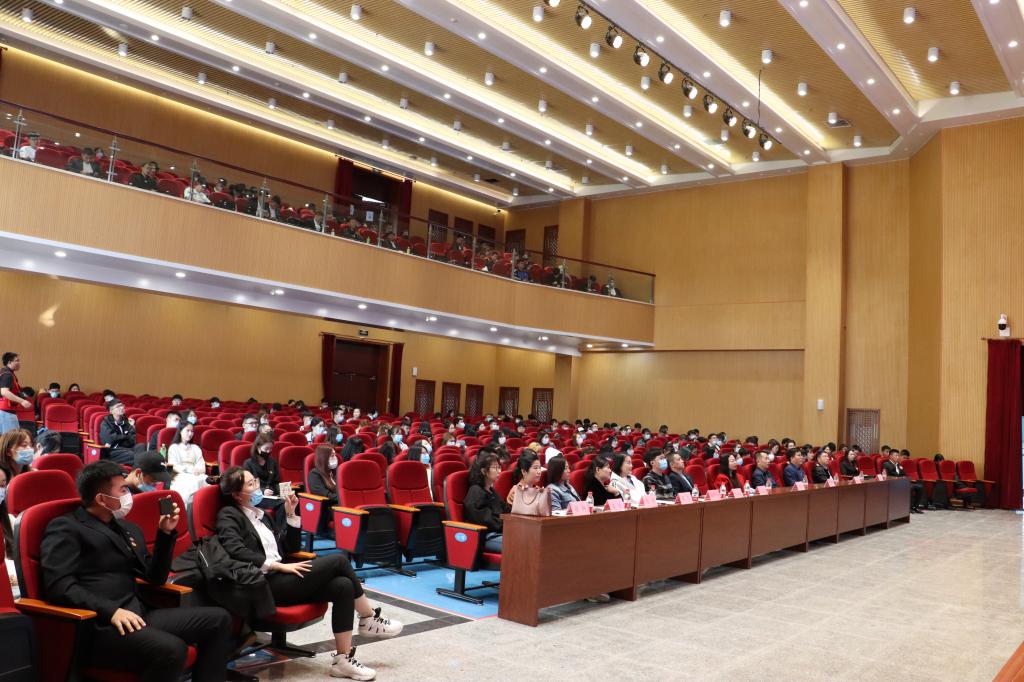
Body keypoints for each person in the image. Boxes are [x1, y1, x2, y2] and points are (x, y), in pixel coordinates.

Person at [40, 461, 233, 682]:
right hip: (100, 624)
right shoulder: (66, 527)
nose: (129, 494)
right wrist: (111, 611)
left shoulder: (127, 528)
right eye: (122, 490)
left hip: (137, 614)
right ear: (101, 499)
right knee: (172, 650)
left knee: (219, 620)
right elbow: (60, 586)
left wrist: (165, 533)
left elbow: (155, 577)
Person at [216, 466, 400, 680]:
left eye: (255, 481)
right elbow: (235, 550)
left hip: (282, 577)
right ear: (237, 494)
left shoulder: (262, 516)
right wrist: (277, 566)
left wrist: (291, 514)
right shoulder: (228, 515)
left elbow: (291, 548)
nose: (257, 486)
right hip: (263, 583)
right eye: (251, 484)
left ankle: (342, 661)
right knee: (339, 561)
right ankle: (368, 618)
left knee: (343, 586)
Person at [462, 452, 505, 553]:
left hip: (499, 533)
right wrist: (507, 525)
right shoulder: (475, 491)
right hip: (487, 536)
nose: (499, 471)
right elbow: (486, 521)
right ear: (483, 471)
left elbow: (504, 509)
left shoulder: (492, 491)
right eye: (495, 468)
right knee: (520, 543)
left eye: (499, 467)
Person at [166, 422, 208, 503]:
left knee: (206, 480)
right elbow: (173, 465)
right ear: (180, 431)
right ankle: (186, 508)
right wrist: (189, 470)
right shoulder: (174, 447)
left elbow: (201, 465)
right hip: (180, 474)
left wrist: (198, 470)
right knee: (192, 483)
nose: (190, 433)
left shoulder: (196, 448)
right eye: (187, 430)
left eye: (192, 431)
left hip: (196, 474)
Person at [99, 400, 145, 465]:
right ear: (111, 411)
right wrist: (125, 435)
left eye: (122, 405)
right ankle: (140, 465)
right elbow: (110, 439)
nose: (122, 408)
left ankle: (139, 465)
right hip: (113, 450)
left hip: (128, 448)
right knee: (133, 455)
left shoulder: (127, 421)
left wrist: (132, 427)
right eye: (118, 406)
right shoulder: (106, 422)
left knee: (142, 446)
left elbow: (132, 440)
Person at [881, 449, 926, 513]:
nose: (898, 457)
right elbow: (886, 476)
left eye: (898, 456)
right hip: (893, 484)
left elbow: (904, 474)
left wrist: (906, 478)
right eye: (896, 455)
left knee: (920, 487)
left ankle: (915, 506)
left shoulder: (899, 465)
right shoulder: (886, 464)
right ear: (890, 456)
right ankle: (909, 507)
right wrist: (898, 478)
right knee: (910, 487)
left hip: (901, 483)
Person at [0, 353, 31, 434]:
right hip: (6, 412)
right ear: (9, 362)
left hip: (4, 411)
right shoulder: (7, 375)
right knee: (13, 439)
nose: (19, 363)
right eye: (17, 361)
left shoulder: (3, 372)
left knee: (6, 439)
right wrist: (22, 401)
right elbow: (4, 392)